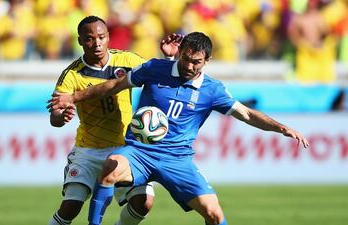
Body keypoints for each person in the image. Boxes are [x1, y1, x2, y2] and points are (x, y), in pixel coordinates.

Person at [48, 32, 310, 225]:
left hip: (177, 160)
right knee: (111, 166)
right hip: (140, 152)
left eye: (196, 62)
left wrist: (281, 127)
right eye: (186, 58)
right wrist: (73, 97)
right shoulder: (154, 68)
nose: (189, 66)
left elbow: (246, 114)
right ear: (180, 52)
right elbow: (112, 86)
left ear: (207, 60)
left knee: (214, 214)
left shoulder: (212, 90)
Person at [47, 15, 181, 225]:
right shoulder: (71, 74)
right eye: (90, 38)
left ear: (108, 37)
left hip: (125, 147)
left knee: (143, 201)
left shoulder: (128, 61)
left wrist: (169, 60)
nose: (97, 43)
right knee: (70, 208)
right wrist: (60, 116)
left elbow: (160, 77)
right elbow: (55, 117)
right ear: (80, 40)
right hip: (89, 150)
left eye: (101, 37)